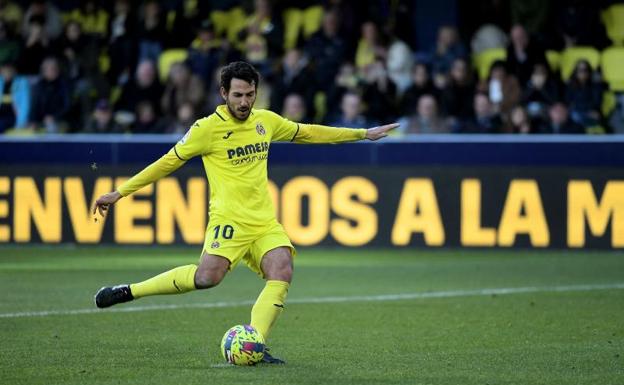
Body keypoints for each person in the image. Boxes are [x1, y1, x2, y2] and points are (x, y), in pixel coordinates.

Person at [92, 61, 398, 364]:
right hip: (228, 220)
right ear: (223, 93)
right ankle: (130, 291)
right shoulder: (206, 129)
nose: (244, 102)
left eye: (250, 94)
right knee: (206, 278)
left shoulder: (265, 121)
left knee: (282, 269)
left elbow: (308, 132)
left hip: (263, 221)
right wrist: (121, 192)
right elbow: (167, 162)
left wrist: (361, 134)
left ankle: (255, 343)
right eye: (237, 95)